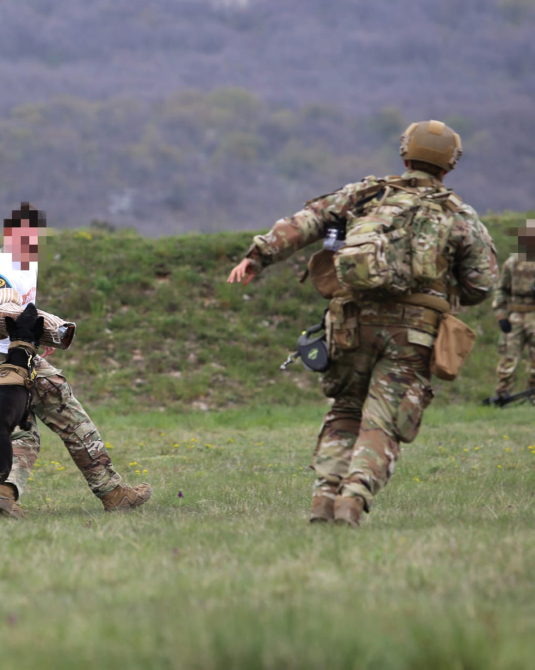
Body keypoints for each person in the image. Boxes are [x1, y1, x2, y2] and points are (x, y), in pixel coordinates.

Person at [227, 120, 498, 527]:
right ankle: (353, 498)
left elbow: (308, 221)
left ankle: (324, 499)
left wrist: (257, 256)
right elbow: (481, 285)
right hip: (413, 333)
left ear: (404, 156)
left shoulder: (367, 194)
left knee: (346, 409)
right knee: (384, 421)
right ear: (450, 165)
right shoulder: (459, 214)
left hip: (352, 322)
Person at [0, 202, 152, 518]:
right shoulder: (5, 265)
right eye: (22, 234)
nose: (28, 240)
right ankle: (113, 493)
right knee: (69, 414)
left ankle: (3, 493)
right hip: (3, 359)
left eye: (33, 234)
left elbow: (17, 314)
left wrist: (41, 336)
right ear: (9, 234)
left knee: (20, 432)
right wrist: (50, 328)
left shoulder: (24, 261)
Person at [491, 222, 535, 402]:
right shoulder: (512, 263)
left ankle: (532, 396)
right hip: (516, 315)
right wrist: (501, 315)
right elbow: (501, 289)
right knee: (508, 357)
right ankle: (502, 394)